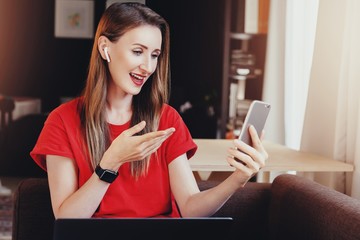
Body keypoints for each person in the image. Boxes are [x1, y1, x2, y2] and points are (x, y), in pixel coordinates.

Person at [30, 2, 268, 219]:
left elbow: (191, 208)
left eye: (154, 55)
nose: (148, 67)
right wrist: (110, 164)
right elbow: (67, 220)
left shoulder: (166, 118)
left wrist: (238, 178)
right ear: (105, 49)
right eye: (137, 51)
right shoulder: (62, 121)